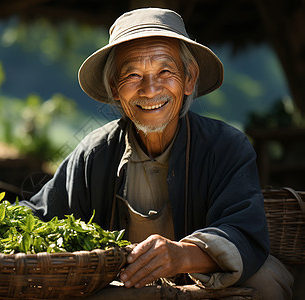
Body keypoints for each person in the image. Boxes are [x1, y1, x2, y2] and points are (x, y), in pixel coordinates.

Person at [20, 7, 294, 299]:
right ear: (115, 89)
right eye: (133, 75)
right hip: (130, 290)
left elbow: (244, 231)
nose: (150, 90)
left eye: (165, 71)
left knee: (265, 282)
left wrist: (180, 255)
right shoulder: (95, 153)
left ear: (189, 79)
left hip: (205, 286)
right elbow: (39, 217)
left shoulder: (226, 147)